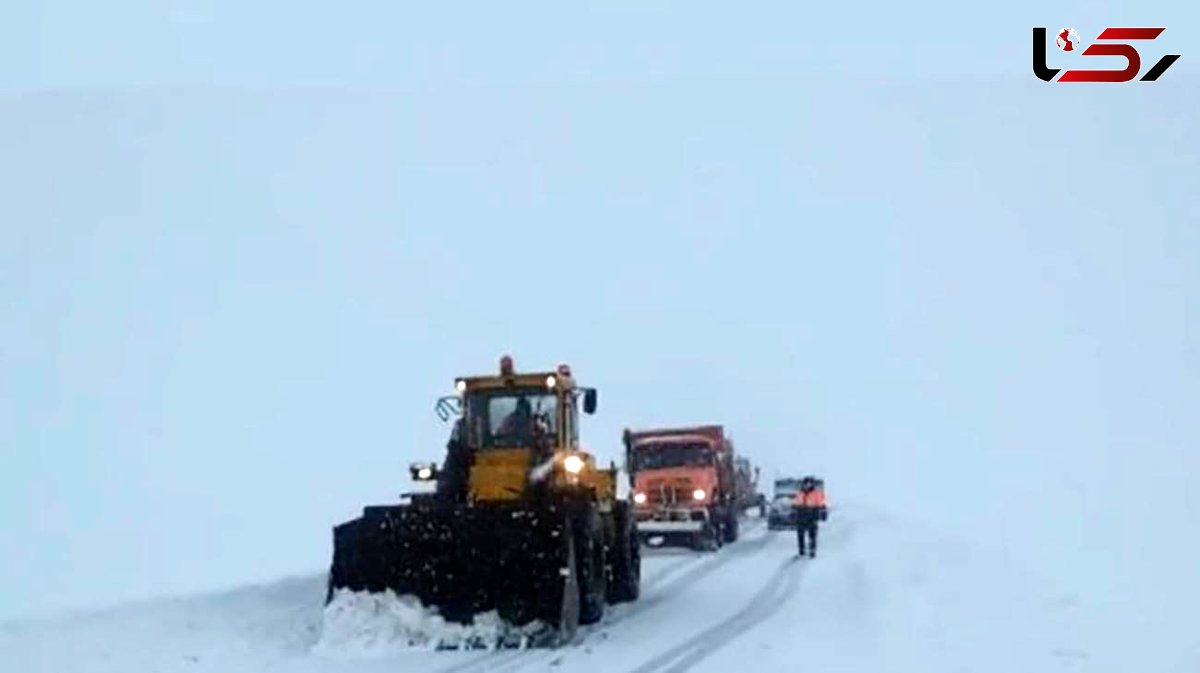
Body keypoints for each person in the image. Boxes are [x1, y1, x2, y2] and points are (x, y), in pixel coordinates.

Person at [791, 476, 827, 558]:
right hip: (801, 517)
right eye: (805, 484)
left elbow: (822, 504)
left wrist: (822, 513)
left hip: (812, 517)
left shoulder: (816, 494)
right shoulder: (799, 493)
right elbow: (795, 504)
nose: (807, 485)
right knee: (800, 535)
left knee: (812, 535)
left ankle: (812, 551)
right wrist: (793, 512)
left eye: (809, 484)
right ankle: (801, 551)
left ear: (812, 484)